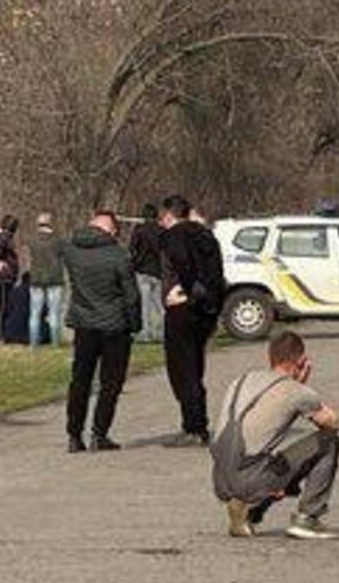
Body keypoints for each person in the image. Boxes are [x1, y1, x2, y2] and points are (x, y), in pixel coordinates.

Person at [212, 331, 339, 540]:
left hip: (221, 478)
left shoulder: (242, 380)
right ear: (300, 361)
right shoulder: (295, 390)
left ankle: (247, 512)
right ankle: (307, 518)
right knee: (328, 441)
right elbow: (332, 423)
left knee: (276, 458)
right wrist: (302, 385)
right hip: (251, 478)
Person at [58, 209, 143, 452]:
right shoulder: (118, 255)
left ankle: (74, 435)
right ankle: (99, 432)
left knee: (80, 381)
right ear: (112, 230)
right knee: (110, 383)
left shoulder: (71, 250)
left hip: (84, 324)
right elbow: (131, 295)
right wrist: (135, 324)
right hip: (115, 326)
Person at [158, 194, 226, 446]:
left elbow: (184, 265)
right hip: (205, 311)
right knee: (195, 366)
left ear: (168, 216)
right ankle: (198, 423)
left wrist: (186, 292)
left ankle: (194, 427)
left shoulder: (175, 236)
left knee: (181, 369)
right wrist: (211, 303)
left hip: (183, 310)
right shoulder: (207, 236)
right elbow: (217, 274)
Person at [25, 212, 67, 347]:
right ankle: (55, 343)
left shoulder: (31, 240)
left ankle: (33, 343)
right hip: (54, 279)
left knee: (34, 313)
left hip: (36, 280)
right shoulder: (58, 241)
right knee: (54, 313)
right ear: (51, 223)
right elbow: (65, 254)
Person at [129, 203, 166, 344]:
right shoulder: (162, 231)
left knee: (144, 306)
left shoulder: (139, 230)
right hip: (159, 272)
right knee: (159, 305)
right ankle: (163, 332)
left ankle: (145, 334)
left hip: (143, 271)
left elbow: (132, 249)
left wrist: (134, 264)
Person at [0, 215, 21, 343]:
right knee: (3, 306)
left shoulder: (1, 236)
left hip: (5, 276)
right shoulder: (4, 236)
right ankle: (0, 334)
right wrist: (1, 261)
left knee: (2, 304)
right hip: (4, 277)